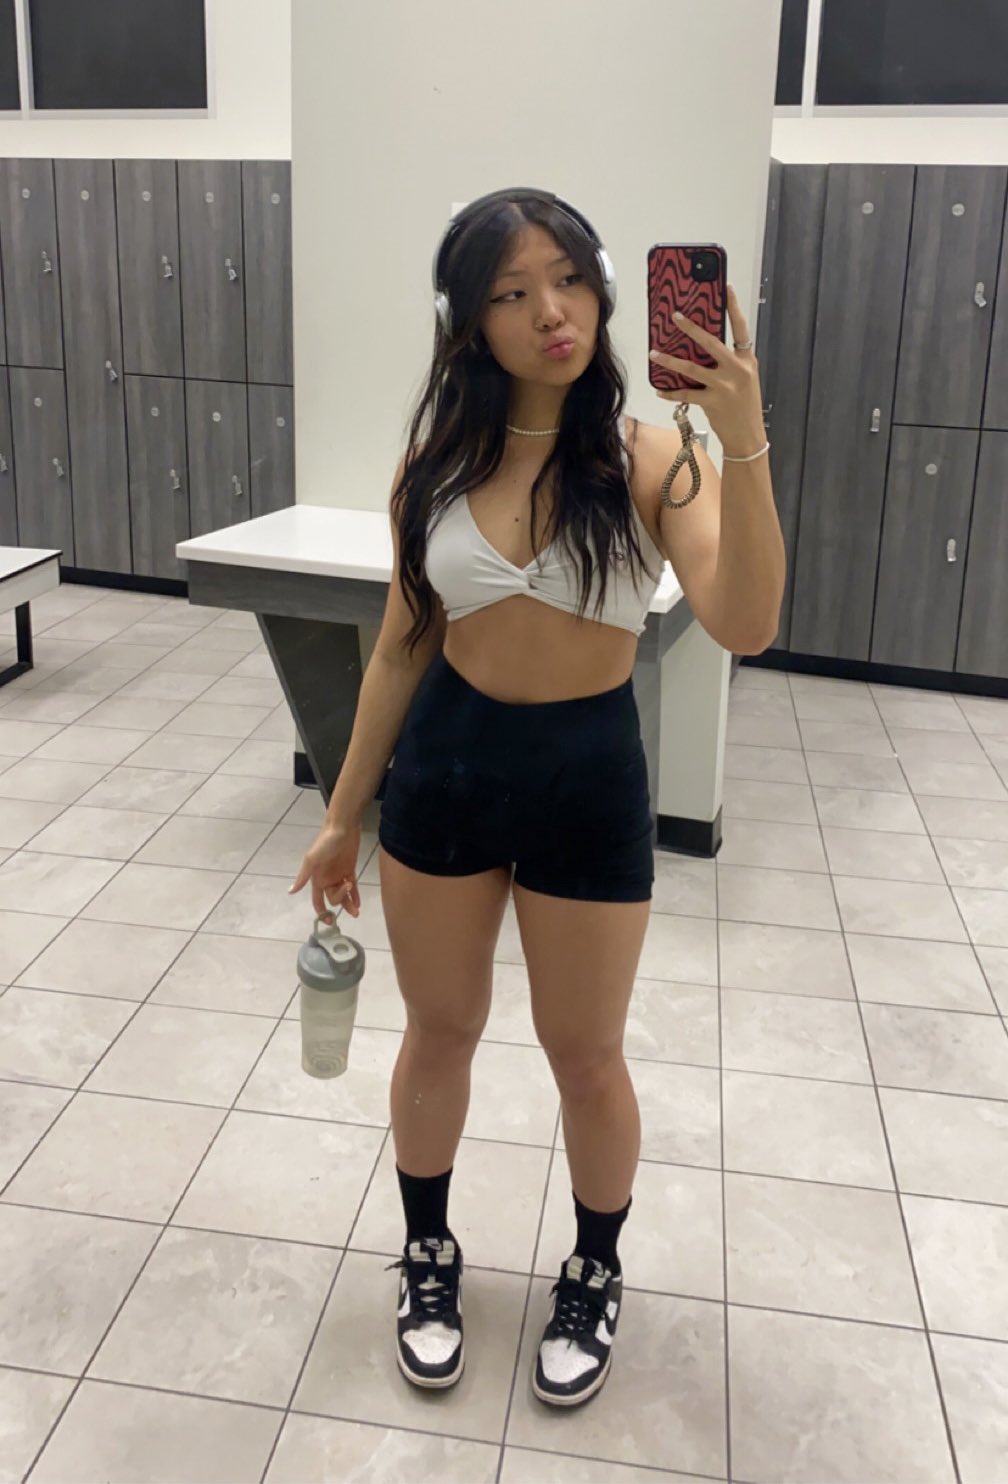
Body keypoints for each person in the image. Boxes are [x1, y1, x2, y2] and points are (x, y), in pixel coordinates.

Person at [290, 188, 784, 1407]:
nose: (550, 311)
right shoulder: (433, 469)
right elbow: (400, 649)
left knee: (587, 1054)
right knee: (439, 1029)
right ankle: (427, 1255)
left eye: (566, 279)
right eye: (512, 293)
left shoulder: (651, 457)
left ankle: (594, 1269)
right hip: (447, 770)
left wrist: (747, 441)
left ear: (605, 288)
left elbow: (747, 621)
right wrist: (343, 812)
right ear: (468, 321)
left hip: (588, 777)